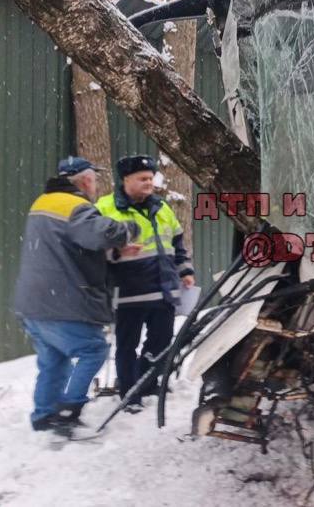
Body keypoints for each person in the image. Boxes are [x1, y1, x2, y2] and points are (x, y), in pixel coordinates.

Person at [12, 157, 140, 435]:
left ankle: (44, 416)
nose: (95, 186)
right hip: (62, 304)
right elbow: (103, 233)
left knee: (53, 360)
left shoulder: (42, 203)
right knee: (94, 350)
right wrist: (129, 230)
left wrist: (114, 253)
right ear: (85, 181)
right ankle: (69, 410)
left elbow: (68, 249)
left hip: (33, 304)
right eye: (94, 180)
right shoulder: (75, 207)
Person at [96, 155, 195, 409]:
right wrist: (116, 253)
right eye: (142, 178)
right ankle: (130, 393)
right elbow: (93, 249)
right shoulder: (106, 208)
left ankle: (147, 381)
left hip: (163, 289)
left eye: (151, 178)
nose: (148, 182)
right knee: (127, 345)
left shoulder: (162, 208)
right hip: (129, 290)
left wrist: (184, 270)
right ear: (126, 180)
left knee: (161, 342)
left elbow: (177, 243)